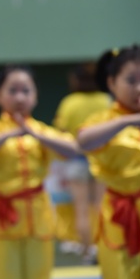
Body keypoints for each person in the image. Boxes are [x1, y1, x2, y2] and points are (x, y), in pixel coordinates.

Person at [0, 65, 80, 279]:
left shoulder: (40, 130)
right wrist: (11, 132)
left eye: (26, 91)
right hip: (3, 217)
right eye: (12, 90)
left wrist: (34, 133)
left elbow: (72, 149)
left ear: (36, 97)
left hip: (39, 215)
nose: (19, 97)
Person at [78, 45, 140, 279]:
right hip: (120, 215)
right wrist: (130, 120)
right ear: (112, 82)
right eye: (131, 80)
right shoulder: (105, 120)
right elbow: (83, 141)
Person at [53, 62, 111, 263]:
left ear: (76, 80)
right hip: (101, 160)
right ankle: (102, 249)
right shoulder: (105, 100)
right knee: (101, 208)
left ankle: (87, 252)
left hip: (77, 161)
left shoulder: (70, 102)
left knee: (81, 209)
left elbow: (60, 132)